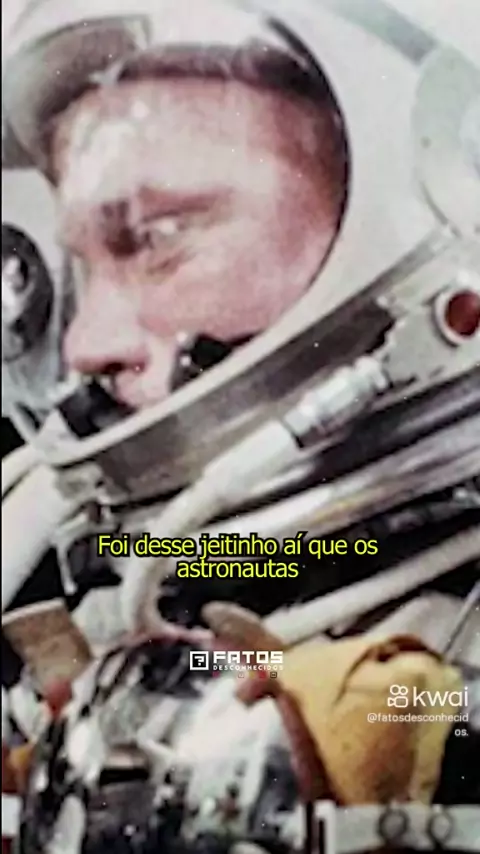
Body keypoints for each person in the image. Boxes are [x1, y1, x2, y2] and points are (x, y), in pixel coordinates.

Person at [2, 0, 479, 852]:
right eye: (83, 266)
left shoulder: (420, 684)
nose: (83, 344)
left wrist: (415, 732)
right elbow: (233, 629)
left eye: (157, 235)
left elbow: (434, 700)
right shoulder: (167, 580)